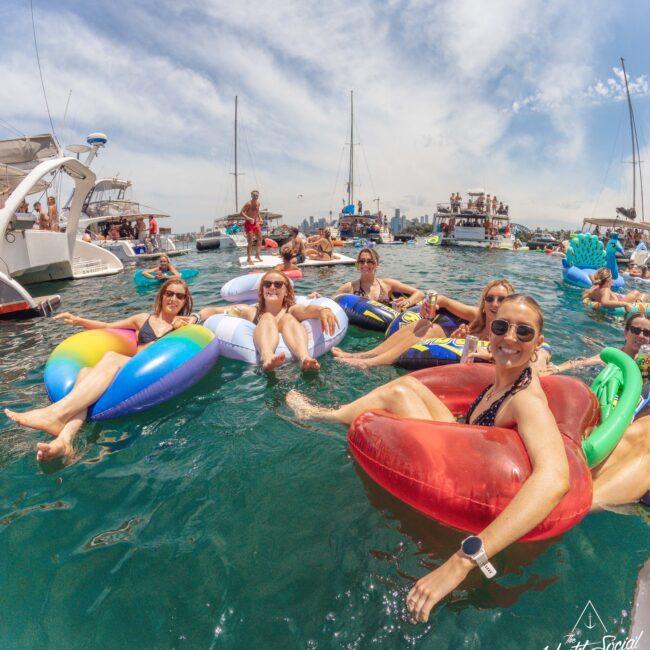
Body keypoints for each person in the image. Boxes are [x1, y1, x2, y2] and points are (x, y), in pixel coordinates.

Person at [287, 294, 650, 622]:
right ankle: (328, 414)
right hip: (471, 447)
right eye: (502, 326)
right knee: (405, 388)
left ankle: (324, 416)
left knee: (398, 394)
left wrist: (463, 561)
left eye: (524, 333)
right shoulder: (499, 382)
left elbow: (555, 479)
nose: (510, 338)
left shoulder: (526, 400)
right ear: (489, 330)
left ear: (538, 343)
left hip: (485, 492)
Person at [5, 279, 195, 463]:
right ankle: (64, 441)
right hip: (129, 373)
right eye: (169, 294)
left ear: (185, 301)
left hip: (150, 375)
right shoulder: (143, 319)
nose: (173, 299)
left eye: (180, 296)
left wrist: (193, 320)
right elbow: (107, 326)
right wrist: (78, 320)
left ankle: (56, 413)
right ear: (161, 296)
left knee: (112, 357)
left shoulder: (184, 326)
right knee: (84, 373)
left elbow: (209, 313)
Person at [332, 279, 514, 368]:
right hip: (448, 350)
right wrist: (430, 306)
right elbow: (446, 302)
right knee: (422, 325)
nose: (495, 304)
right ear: (484, 303)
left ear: (509, 303)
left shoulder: (510, 330)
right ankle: (364, 355)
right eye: (490, 298)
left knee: (430, 330)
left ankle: (372, 363)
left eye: (501, 299)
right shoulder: (476, 316)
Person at [190, 271, 338, 372]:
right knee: (267, 317)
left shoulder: (292, 310)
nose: (272, 287)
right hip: (266, 365)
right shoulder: (251, 311)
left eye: (278, 284)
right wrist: (196, 317)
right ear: (262, 290)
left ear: (286, 291)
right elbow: (214, 311)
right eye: (267, 284)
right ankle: (267, 357)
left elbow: (308, 310)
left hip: (292, 368)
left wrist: (323, 310)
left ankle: (304, 358)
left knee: (287, 318)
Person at [328, 248, 424, 310]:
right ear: (357, 265)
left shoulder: (387, 284)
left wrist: (408, 302)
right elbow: (329, 302)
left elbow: (419, 293)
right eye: (361, 261)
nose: (365, 265)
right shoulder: (350, 287)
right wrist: (317, 298)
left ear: (377, 265)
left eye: (370, 261)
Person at [241, 190, 263, 265]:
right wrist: (248, 218)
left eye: (257, 195)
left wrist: (260, 217)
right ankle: (249, 258)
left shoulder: (258, 203)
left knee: (260, 238)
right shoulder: (248, 204)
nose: (255, 197)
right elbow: (241, 212)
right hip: (248, 223)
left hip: (255, 223)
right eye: (254, 195)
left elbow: (257, 211)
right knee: (250, 242)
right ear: (251, 195)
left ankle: (257, 255)